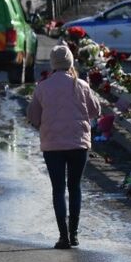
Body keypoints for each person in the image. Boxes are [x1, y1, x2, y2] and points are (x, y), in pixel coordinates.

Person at [27, 44, 102, 250]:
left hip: (52, 145)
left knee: (58, 189)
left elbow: (33, 116)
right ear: (71, 62)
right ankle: (75, 233)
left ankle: (63, 236)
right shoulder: (82, 86)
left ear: (52, 64)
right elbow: (96, 110)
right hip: (79, 144)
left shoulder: (43, 87)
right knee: (75, 187)